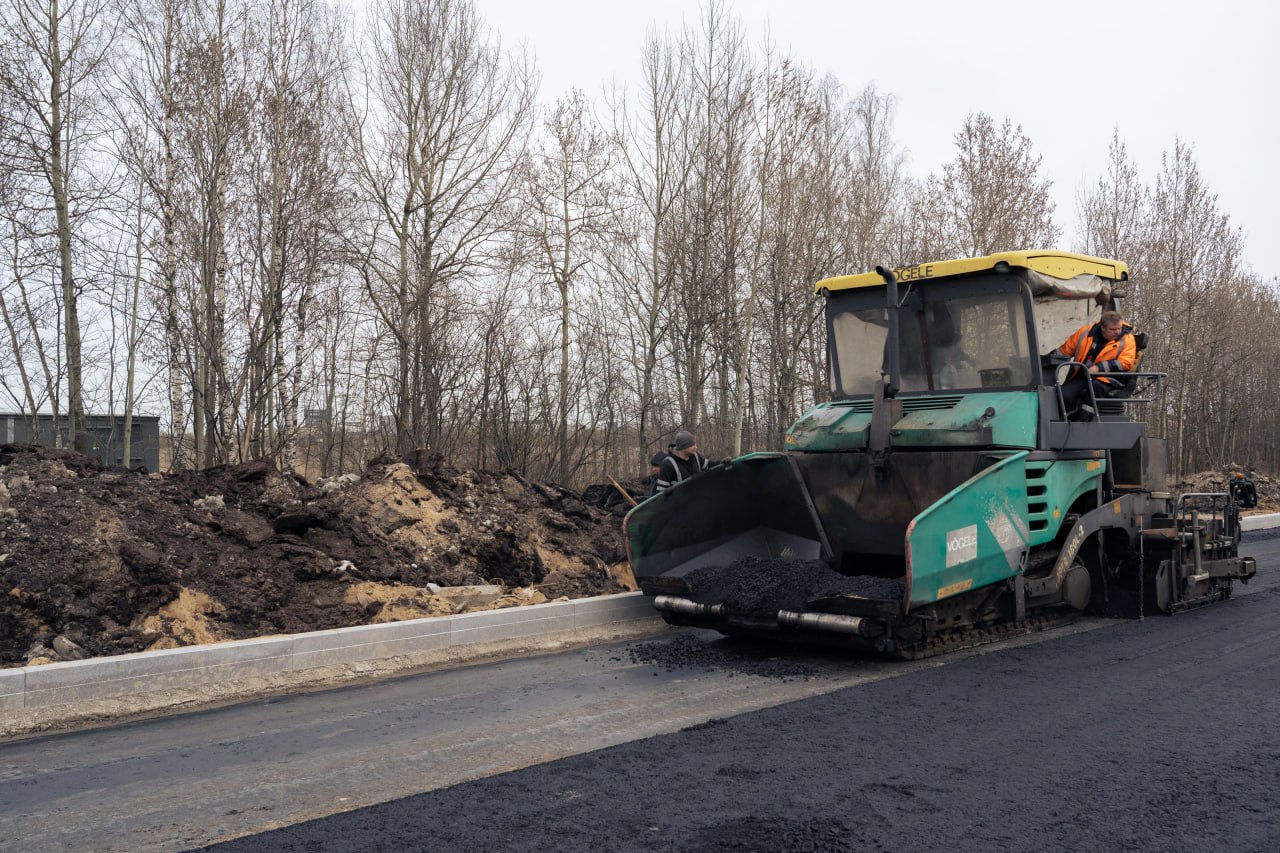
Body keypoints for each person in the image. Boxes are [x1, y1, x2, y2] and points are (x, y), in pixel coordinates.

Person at [1054, 311, 1137, 420]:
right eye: (1113, 329)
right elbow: (1065, 351)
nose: (1118, 332)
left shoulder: (1127, 339)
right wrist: (1049, 358)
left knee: (1096, 387)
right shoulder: (1085, 332)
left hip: (1111, 378)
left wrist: (1099, 367)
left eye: (1119, 328)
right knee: (1063, 394)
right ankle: (1065, 419)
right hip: (1084, 376)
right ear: (1102, 327)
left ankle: (1083, 422)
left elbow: (1126, 362)